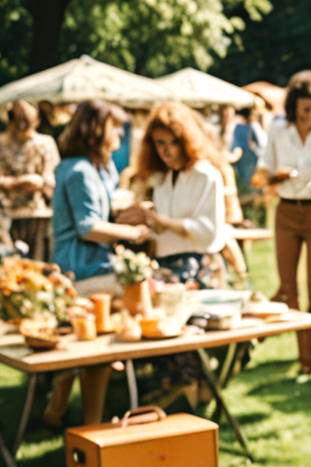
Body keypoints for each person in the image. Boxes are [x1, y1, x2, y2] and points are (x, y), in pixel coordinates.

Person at [47, 100, 150, 426]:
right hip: (84, 270)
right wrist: (132, 232)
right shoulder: (81, 171)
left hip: (75, 268)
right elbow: (89, 228)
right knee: (107, 341)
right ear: (97, 130)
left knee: (87, 340)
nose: (120, 133)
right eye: (115, 126)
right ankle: (92, 422)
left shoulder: (81, 167)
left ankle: (57, 409)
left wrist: (121, 216)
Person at [254, 70, 311, 381]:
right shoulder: (278, 132)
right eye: (301, 106)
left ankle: (309, 362)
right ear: (293, 105)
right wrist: (274, 177)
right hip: (286, 212)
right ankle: (299, 353)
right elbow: (263, 172)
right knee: (288, 288)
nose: (306, 112)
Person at [119, 102, 228, 287]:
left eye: (174, 142)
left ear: (186, 141)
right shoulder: (161, 177)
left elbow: (209, 232)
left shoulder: (205, 175)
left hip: (198, 267)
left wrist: (160, 220)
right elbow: (161, 229)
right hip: (163, 265)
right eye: (160, 143)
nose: (166, 150)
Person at [0, 100, 60, 260]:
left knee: (39, 267)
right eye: (18, 119)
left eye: (27, 121)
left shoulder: (45, 143)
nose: (22, 125)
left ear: (36, 120)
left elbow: (52, 180)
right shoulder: (1, 143)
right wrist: (20, 182)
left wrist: (43, 181)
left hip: (39, 215)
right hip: (6, 217)